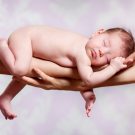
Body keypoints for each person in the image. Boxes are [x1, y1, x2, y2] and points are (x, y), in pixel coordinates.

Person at [0, 26, 134, 119]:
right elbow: (88, 79)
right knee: (20, 69)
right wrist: (113, 68)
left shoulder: (86, 57)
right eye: (105, 43)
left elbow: (79, 79)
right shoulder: (82, 53)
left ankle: (6, 97)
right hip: (26, 38)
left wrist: (88, 96)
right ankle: (2, 46)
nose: (101, 51)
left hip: (30, 43)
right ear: (97, 33)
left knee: (28, 74)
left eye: (107, 57)